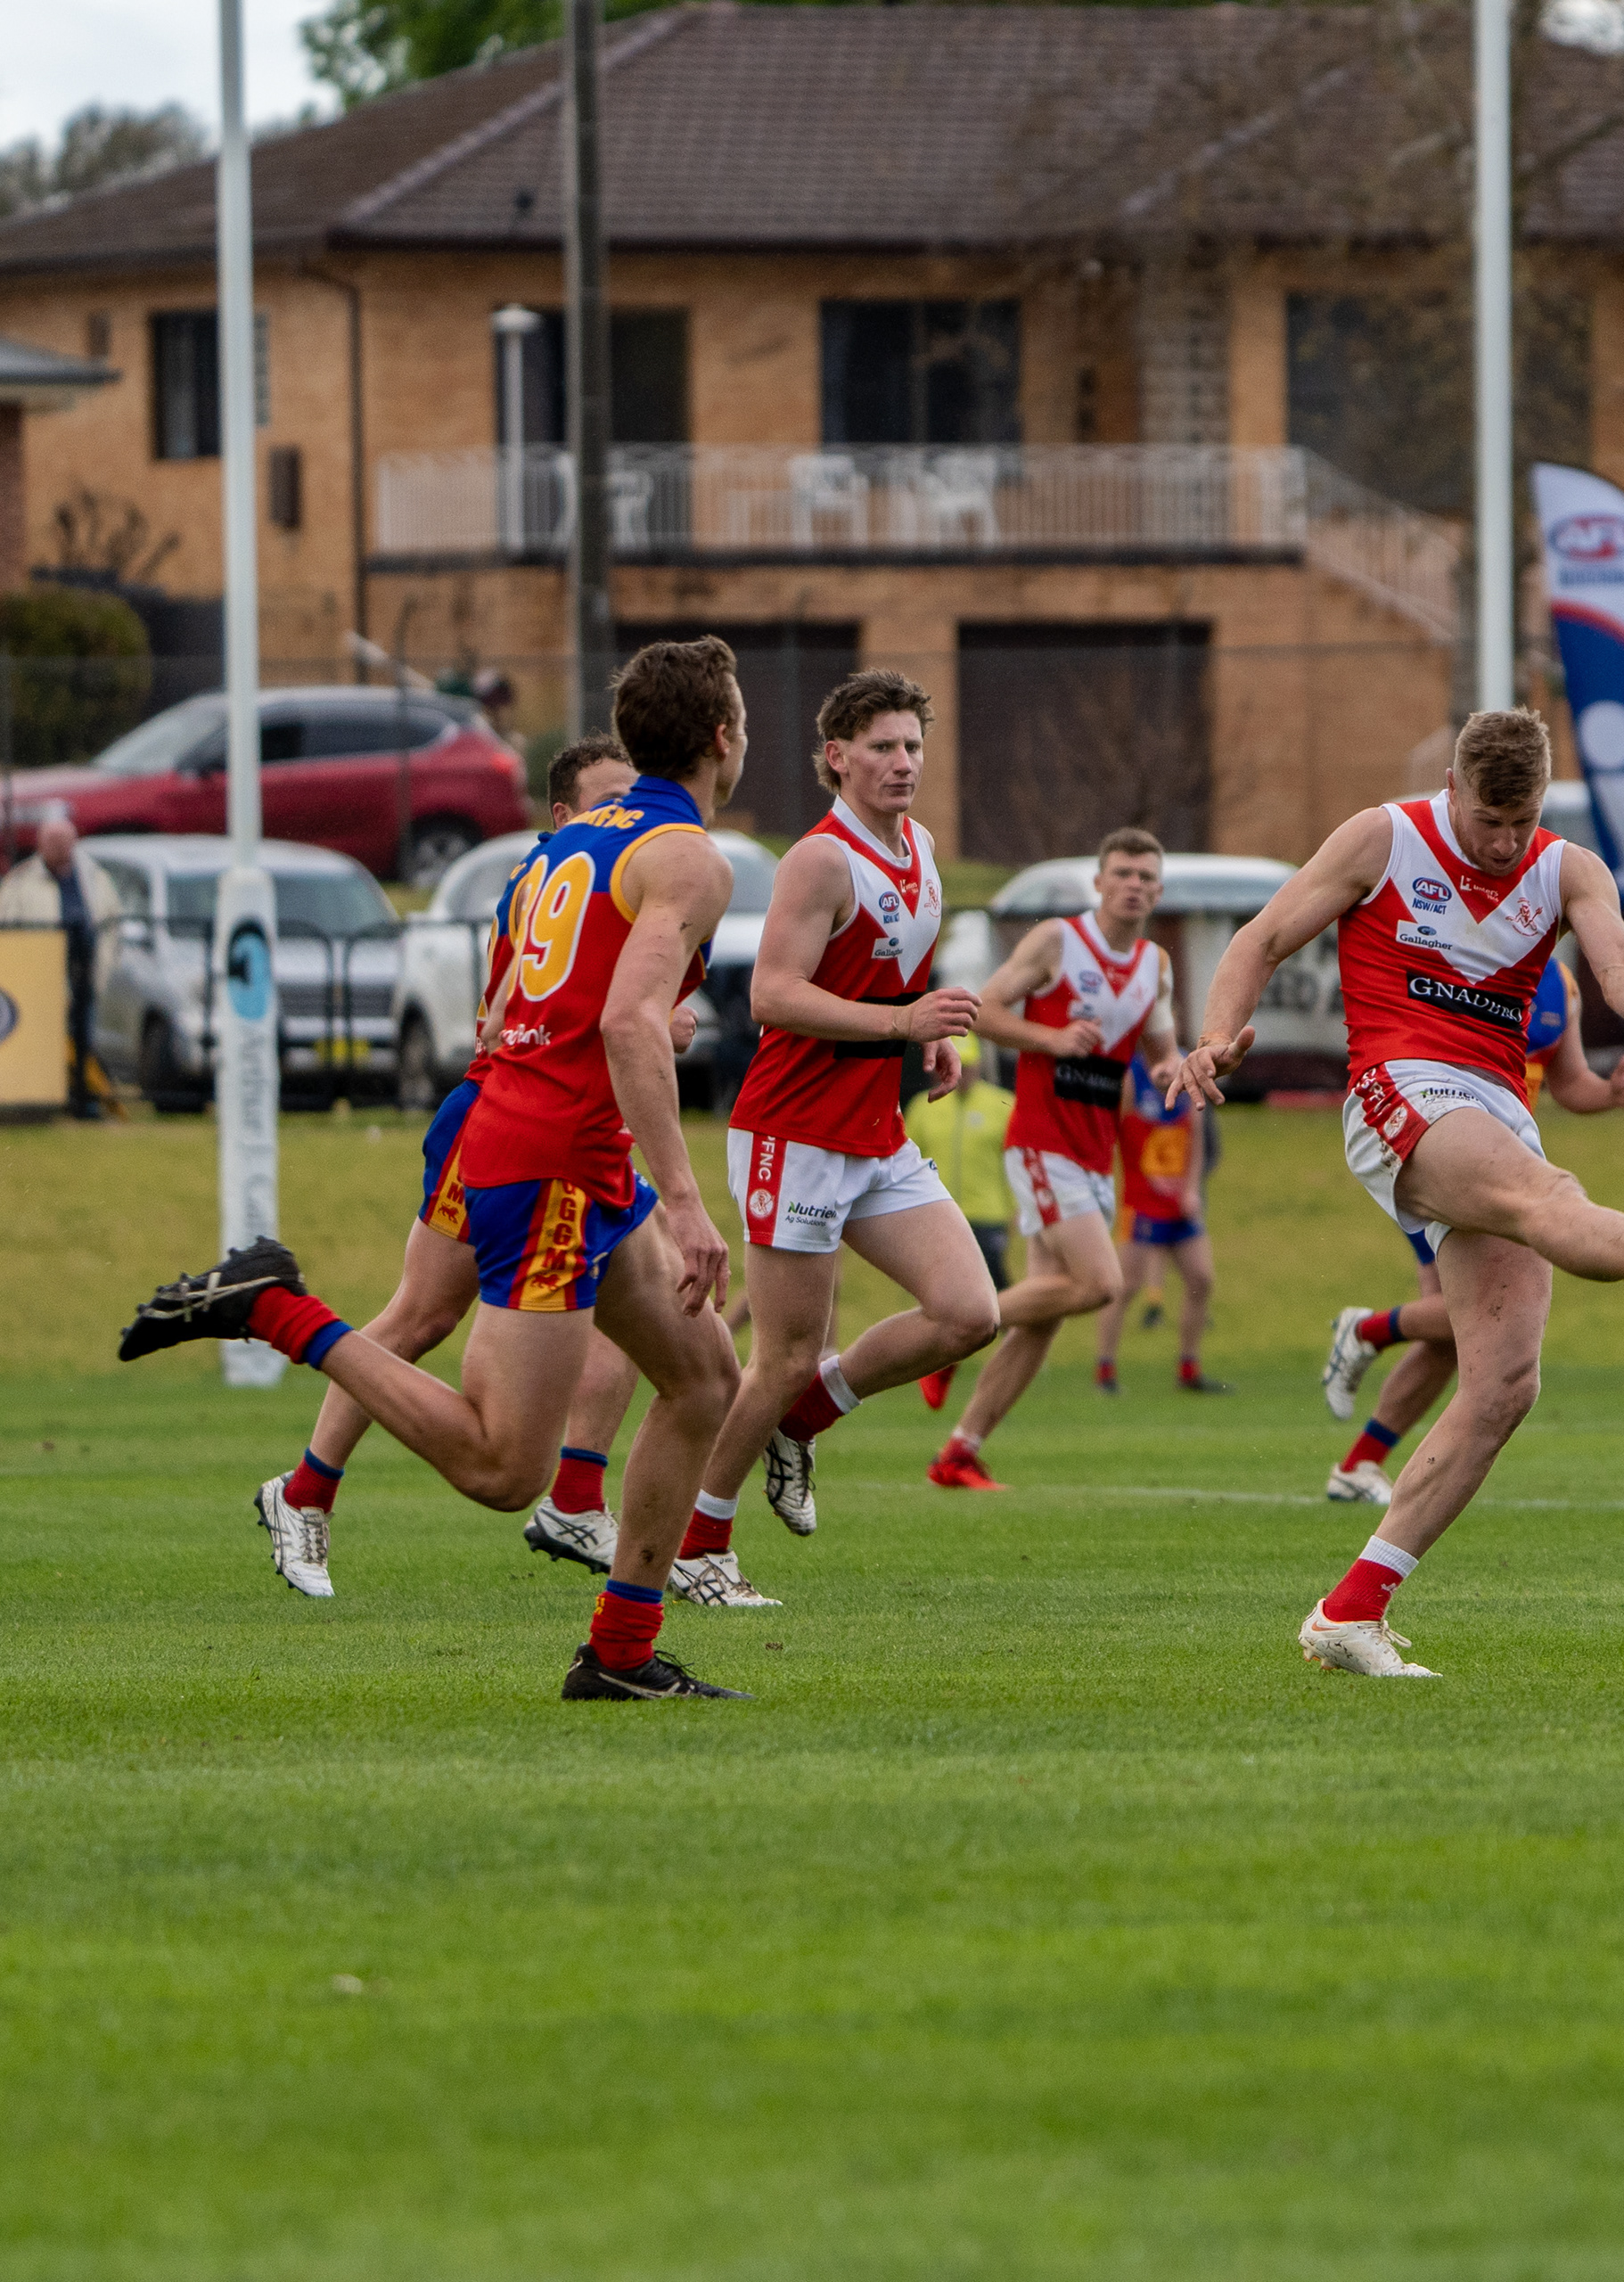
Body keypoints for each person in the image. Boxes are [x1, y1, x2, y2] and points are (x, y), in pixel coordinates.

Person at [119, 637, 752, 1702]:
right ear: (724, 737)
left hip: (544, 1138)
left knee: (704, 1380)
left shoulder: (572, 840)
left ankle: (620, 1654)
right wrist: (688, 1202)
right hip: (551, 1162)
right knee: (504, 1468)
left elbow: (519, 1010)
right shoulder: (690, 855)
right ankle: (275, 1309)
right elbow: (628, 1021)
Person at [1172, 710, 1624, 1679]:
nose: (1504, 842)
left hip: (1495, 1105)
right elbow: (1261, 938)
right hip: (1397, 1084)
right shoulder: (1382, 839)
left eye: (1522, 821)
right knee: (1545, 1195)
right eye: (1488, 820)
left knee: (1504, 1388)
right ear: (1452, 787)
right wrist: (1213, 1036)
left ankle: (1350, 1614)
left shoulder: (1567, 869)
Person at [249, 735, 681, 1599]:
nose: (625, 817)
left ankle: (576, 1496)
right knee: (422, 1316)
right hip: (507, 1119)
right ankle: (305, 1489)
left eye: (632, 800)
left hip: (572, 1126)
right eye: (608, 802)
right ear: (563, 815)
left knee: (651, 1305)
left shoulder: (616, 874)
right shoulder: (554, 878)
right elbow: (516, 1015)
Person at [684, 670, 995, 1602]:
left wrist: (924, 1036)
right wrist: (902, 1023)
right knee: (781, 1354)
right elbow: (772, 994)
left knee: (968, 1311)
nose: (903, 762)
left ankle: (803, 1419)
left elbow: (889, 968)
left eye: (912, 746)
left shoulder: (921, 846)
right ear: (838, 757)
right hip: (796, 1131)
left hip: (873, 1128)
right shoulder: (820, 860)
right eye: (882, 747)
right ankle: (699, 1546)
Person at [1317, 950, 1624, 1503]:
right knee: (1466, 1318)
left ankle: (1359, 1463)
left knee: (1457, 1334)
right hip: (1439, 1150)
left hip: (1505, 1172)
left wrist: (1610, 1094)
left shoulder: (1561, 983)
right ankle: (1366, 1331)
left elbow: (1569, 1083)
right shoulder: (1461, 950)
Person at [928, 830, 1178, 1490]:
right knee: (1100, 1285)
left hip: (1096, 1153)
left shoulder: (1155, 964)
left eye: (1146, 877)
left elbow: (1161, 1053)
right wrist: (1052, 1038)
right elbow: (982, 1012)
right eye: (1122, 873)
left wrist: (1184, 1068)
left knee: (1045, 1318)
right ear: (1099, 882)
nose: (1134, 886)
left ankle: (959, 1452)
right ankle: (956, 1328)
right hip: (1042, 1141)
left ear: (1159, 891)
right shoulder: (1058, 942)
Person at [1094, 1055, 1227, 1395]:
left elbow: (1195, 1140)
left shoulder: (1186, 1067)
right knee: (1125, 1286)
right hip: (1140, 1203)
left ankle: (1189, 1369)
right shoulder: (1131, 1077)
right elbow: (1112, 1131)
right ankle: (1105, 1369)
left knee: (1201, 1278)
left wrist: (1192, 1190)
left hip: (1179, 1204)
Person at [903, 1050, 1013, 1428]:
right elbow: (906, 1155)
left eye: (969, 1066)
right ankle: (938, 1355)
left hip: (989, 1213)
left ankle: (1008, 1351)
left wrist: (1016, 1208)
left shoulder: (1000, 1105)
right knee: (942, 1291)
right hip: (939, 1214)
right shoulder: (924, 1106)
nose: (962, 1074)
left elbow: (1014, 1160)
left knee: (995, 1287)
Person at [0, 814, 121, 1118]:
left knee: (84, 1037)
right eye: (53, 842)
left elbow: (112, 925)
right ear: (40, 844)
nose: (60, 848)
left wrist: (106, 963)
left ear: (75, 842)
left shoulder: (95, 877)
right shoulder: (20, 881)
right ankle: (45, 1100)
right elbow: (1, 928)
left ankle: (84, 1099)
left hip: (86, 971)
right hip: (39, 977)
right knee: (45, 1039)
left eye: (65, 841)